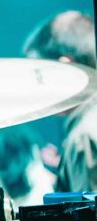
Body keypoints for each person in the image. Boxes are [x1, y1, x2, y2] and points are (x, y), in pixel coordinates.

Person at [23, 10, 97, 192]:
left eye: (39, 74)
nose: (35, 87)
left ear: (66, 66)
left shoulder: (84, 135)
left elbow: (88, 217)